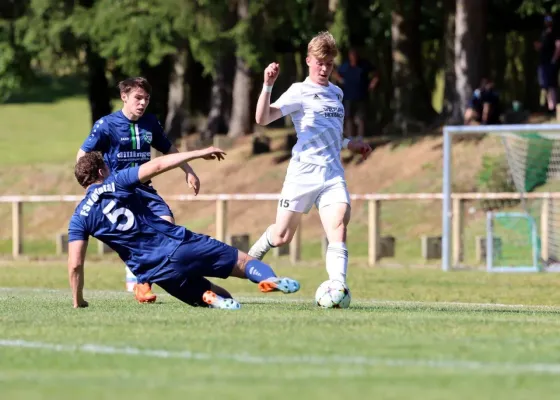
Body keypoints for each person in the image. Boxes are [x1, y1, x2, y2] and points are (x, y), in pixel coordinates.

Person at [67, 148, 301, 310]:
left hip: (158, 273)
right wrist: (198, 154)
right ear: (101, 172)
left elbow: (75, 264)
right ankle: (270, 279)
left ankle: (210, 297)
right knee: (244, 263)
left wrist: (78, 301)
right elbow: (158, 164)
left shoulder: (79, 218)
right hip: (179, 243)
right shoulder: (115, 181)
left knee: (220, 297)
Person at [248, 31, 372, 288]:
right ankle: (251, 258)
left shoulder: (337, 94)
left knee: (338, 225)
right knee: (281, 236)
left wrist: (351, 144)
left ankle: (337, 286)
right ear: (308, 61)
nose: (324, 68)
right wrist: (267, 85)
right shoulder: (299, 91)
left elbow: (333, 136)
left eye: (329, 63)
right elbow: (262, 119)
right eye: (320, 62)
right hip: (303, 174)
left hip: (332, 174)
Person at [76, 77, 201, 303]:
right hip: (119, 191)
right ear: (124, 97)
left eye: (146, 99)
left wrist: (188, 170)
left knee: (166, 224)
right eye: (138, 98)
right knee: (136, 235)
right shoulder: (106, 125)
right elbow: (82, 156)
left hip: (145, 188)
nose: (142, 103)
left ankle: (142, 282)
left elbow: (169, 148)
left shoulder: (150, 123)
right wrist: (92, 185)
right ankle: (141, 284)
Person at [332, 48, 379, 140]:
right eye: (352, 56)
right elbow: (335, 73)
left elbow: (376, 73)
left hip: (362, 95)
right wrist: (340, 80)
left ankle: (360, 138)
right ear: (349, 57)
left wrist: (373, 83)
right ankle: (350, 138)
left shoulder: (364, 65)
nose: (354, 58)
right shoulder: (345, 66)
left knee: (361, 118)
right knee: (349, 117)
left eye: (355, 55)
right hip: (348, 96)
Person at [535, 15, 560, 116]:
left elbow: (558, 46)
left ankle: (552, 107)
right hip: (543, 63)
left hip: (550, 63)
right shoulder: (543, 33)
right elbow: (541, 46)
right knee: (544, 85)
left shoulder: (556, 32)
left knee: (551, 85)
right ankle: (548, 106)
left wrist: (554, 59)